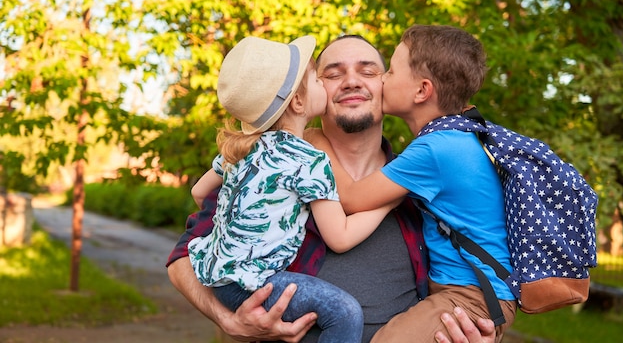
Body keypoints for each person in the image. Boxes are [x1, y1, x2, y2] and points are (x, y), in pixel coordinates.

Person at [166, 34, 497, 343]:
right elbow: (183, 258)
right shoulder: (268, 167)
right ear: (306, 95)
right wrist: (229, 321)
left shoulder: (426, 183)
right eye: (333, 73)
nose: (351, 81)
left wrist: (475, 332)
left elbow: (478, 281)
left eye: (367, 71)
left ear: (388, 86)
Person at [186, 35, 401, 343]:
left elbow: (199, 193)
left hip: (218, 275)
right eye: (319, 78)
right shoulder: (310, 161)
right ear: (298, 101)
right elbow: (339, 238)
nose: (341, 83)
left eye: (367, 71)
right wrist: (389, 201)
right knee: (344, 313)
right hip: (255, 283)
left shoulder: (242, 147)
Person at [313, 25, 517, 343]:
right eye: (334, 73)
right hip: (462, 293)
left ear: (421, 91)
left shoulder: (432, 154)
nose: (375, 81)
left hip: (471, 297)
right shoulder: (449, 143)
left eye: (386, 72)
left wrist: (312, 140)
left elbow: (350, 199)